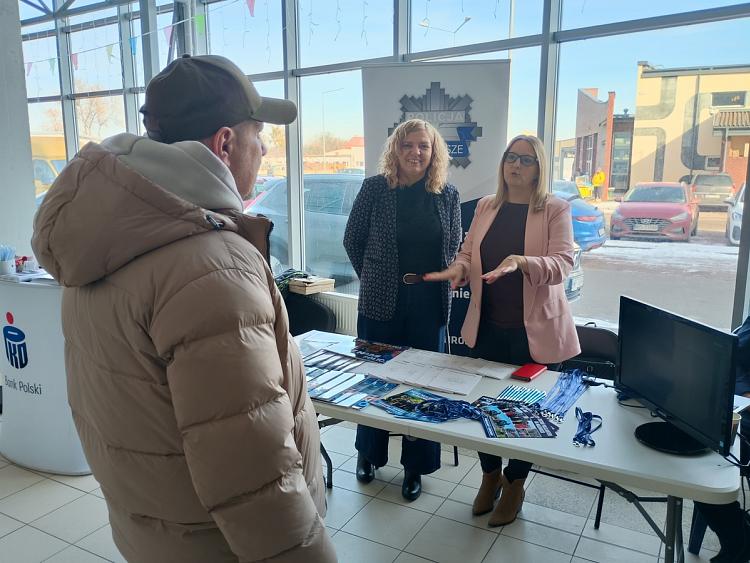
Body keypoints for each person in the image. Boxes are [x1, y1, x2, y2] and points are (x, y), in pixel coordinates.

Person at [31, 55, 336, 563]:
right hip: (221, 547)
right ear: (225, 143)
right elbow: (252, 470)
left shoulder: (102, 241)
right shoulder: (212, 267)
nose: (264, 149)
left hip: (155, 532)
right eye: (259, 134)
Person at [424, 134, 580, 526]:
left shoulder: (555, 208)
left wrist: (522, 262)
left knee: (526, 414)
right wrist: (460, 268)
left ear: (539, 168)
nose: (516, 165)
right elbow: (467, 251)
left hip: (534, 334)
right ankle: (490, 474)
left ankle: (514, 484)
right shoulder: (486, 206)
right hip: (488, 328)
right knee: (484, 408)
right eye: (511, 157)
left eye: (526, 160)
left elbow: (563, 263)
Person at [343, 119, 462, 501]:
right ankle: (368, 453)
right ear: (396, 149)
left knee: (422, 386)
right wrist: (374, 276)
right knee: (375, 380)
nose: (415, 152)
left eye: (423, 146)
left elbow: (454, 245)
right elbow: (352, 239)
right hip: (381, 300)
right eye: (408, 145)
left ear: (433, 152)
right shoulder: (375, 189)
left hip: (428, 302)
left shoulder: (447, 195)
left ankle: (416, 466)